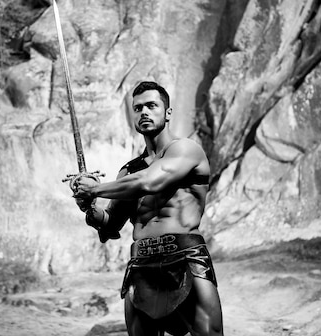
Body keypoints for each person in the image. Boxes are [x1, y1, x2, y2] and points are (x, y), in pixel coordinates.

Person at [72, 81, 223, 336]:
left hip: (185, 259)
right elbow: (109, 224)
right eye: (138, 107)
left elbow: (150, 181)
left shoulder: (186, 150)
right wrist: (88, 206)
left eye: (152, 106)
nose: (144, 112)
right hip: (141, 266)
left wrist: (95, 189)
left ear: (168, 112)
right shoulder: (129, 170)